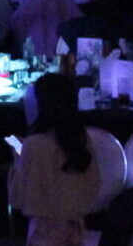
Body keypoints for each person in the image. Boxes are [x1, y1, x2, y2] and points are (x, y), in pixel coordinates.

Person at [9, 74, 100, 246]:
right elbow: (94, 187)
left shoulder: (35, 145)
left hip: (44, 234)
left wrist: (18, 160)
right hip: (76, 232)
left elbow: (17, 198)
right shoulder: (81, 139)